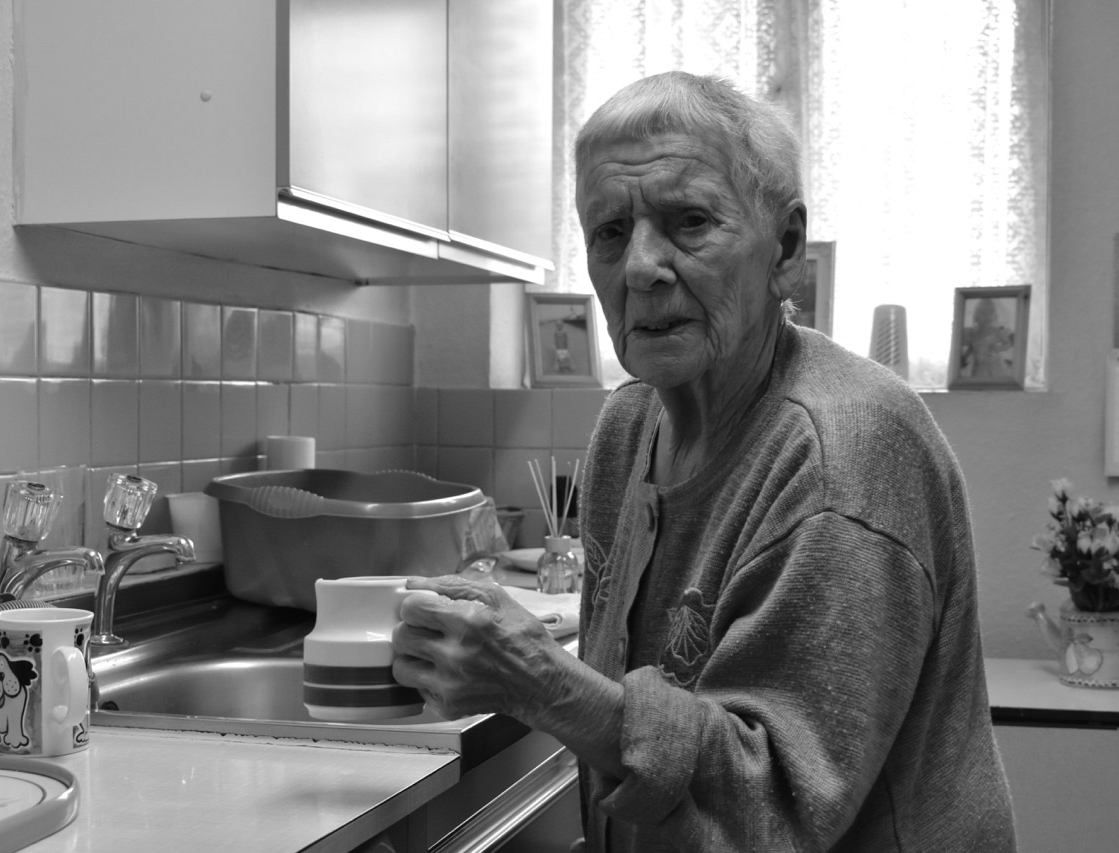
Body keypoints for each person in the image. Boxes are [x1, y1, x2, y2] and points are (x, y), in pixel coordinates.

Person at [391, 71, 1016, 851]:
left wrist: (542, 681)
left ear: (785, 251)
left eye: (688, 222)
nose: (641, 267)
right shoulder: (630, 425)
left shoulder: (842, 455)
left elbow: (774, 807)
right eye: (610, 232)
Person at [961, 298, 1015, 379]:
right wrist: (965, 356)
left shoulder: (997, 331)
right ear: (977, 316)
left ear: (993, 316)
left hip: (993, 365)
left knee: (995, 382)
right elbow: (971, 347)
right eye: (982, 314)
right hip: (978, 366)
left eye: (988, 314)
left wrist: (998, 348)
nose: (985, 317)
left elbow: (1008, 343)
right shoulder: (975, 333)